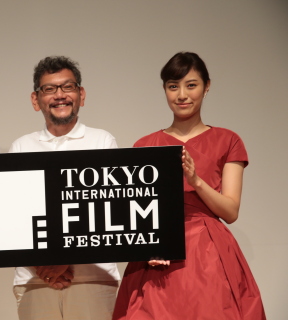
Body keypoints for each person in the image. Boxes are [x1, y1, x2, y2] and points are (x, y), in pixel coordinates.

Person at [112, 52, 265, 319]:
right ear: (165, 90)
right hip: (156, 255)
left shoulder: (227, 140)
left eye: (191, 85)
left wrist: (196, 181)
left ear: (207, 87)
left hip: (208, 252)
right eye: (173, 86)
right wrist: (146, 246)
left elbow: (230, 211)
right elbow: (135, 214)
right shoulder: (145, 145)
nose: (182, 95)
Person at [10, 56, 120, 320]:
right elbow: (15, 218)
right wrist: (45, 266)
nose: (60, 95)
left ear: (81, 94)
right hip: (34, 279)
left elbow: (110, 212)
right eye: (49, 89)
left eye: (68, 87)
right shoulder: (21, 147)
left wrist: (62, 261)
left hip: (94, 279)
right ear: (35, 100)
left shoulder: (102, 142)